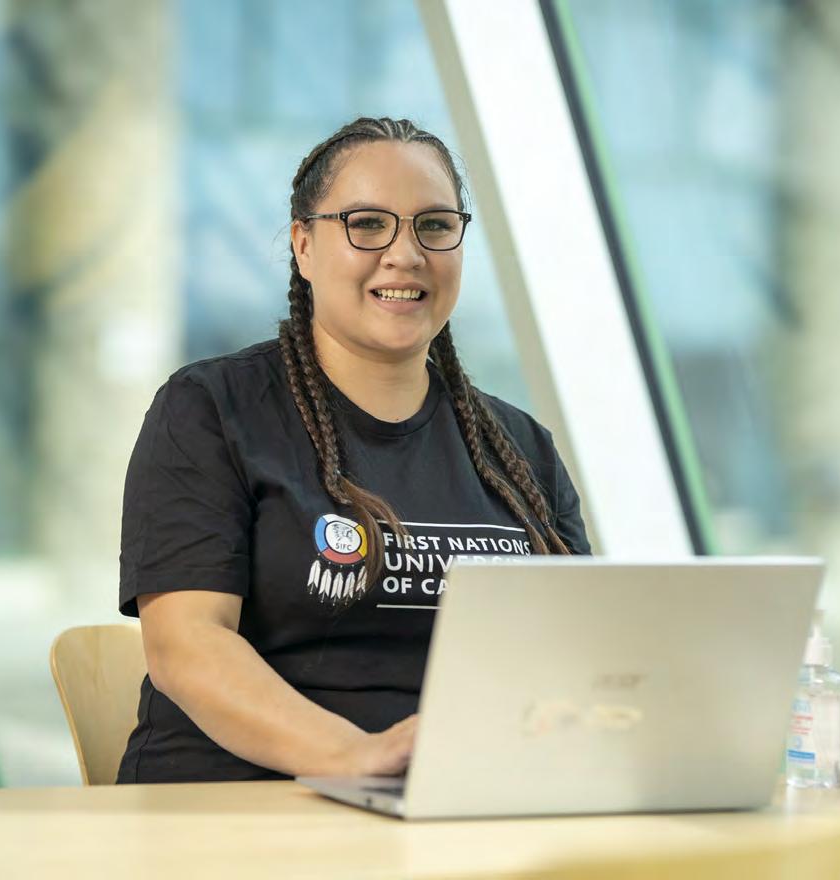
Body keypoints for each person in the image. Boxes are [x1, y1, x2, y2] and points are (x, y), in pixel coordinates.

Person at [115, 117, 590, 784]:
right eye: (367, 224)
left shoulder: (520, 449)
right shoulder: (212, 410)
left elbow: (577, 655)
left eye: (434, 225)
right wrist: (354, 757)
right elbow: (186, 645)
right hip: (239, 804)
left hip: (450, 801)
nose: (405, 254)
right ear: (304, 245)